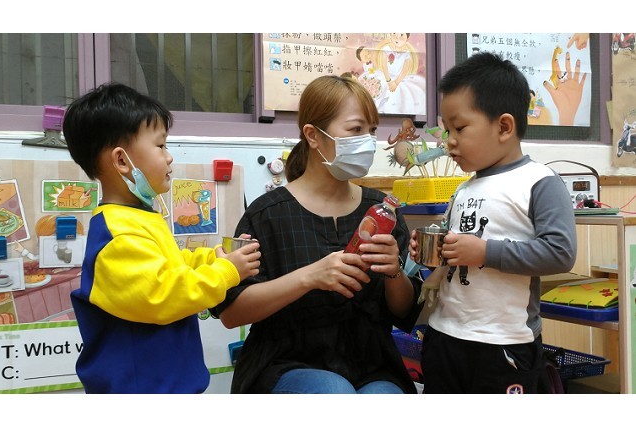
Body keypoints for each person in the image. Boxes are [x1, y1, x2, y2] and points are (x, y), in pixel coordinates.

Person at [210, 75, 423, 394]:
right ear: (313, 135)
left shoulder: (383, 212)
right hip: (285, 364)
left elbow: (404, 312)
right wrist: (310, 277)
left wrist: (394, 272)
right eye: (355, 130)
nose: (368, 142)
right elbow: (232, 313)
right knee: (333, 391)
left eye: (371, 131)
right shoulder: (268, 214)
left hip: (373, 365)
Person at [62, 82, 261, 393]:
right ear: (122, 161)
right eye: (161, 146)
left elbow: (173, 264)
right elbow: (163, 294)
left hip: (168, 383)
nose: (169, 157)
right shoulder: (117, 234)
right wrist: (226, 271)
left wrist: (214, 257)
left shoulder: (139, 216)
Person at [408, 52, 577, 394]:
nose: (449, 141)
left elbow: (560, 253)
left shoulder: (539, 181)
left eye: (459, 128)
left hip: (503, 343)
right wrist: (432, 253)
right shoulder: (464, 188)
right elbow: (453, 244)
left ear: (503, 127)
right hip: (444, 335)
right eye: (447, 130)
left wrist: (484, 252)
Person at [375, 33, 427, 115]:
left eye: (401, 35)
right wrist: (389, 81)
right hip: (386, 77)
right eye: (394, 33)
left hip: (400, 79)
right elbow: (384, 66)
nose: (397, 37)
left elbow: (404, 70)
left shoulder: (407, 53)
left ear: (407, 39)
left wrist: (396, 83)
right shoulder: (386, 49)